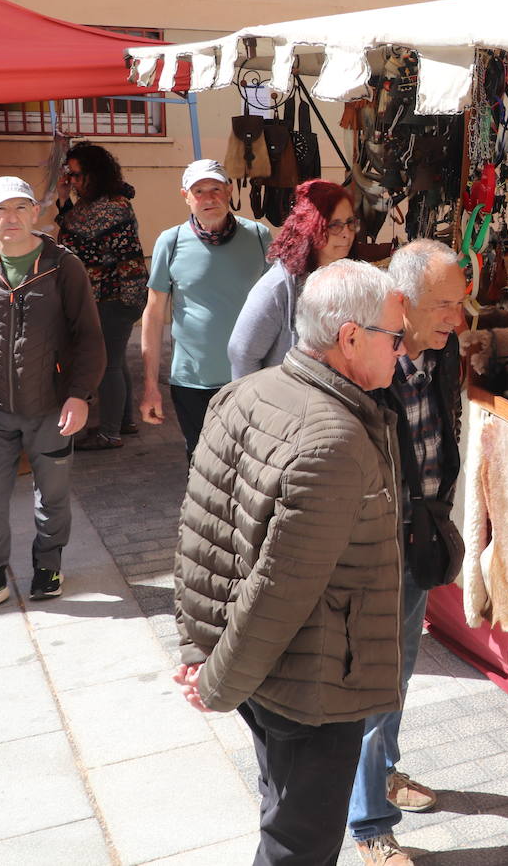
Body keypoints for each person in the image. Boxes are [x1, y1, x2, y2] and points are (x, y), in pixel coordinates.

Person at [172, 259, 408, 866]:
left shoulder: (247, 392)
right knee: (297, 846)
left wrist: (203, 650)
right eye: (396, 337)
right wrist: (216, 680)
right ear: (350, 338)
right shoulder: (333, 440)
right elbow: (279, 589)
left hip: (270, 672)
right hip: (314, 685)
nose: (403, 353)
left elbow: (204, 536)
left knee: (279, 807)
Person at [349, 239, 468, 866]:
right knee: (375, 678)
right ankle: (370, 826)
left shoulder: (436, 355)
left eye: (459, 304)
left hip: (418, 535)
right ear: (405, 302)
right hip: (373, 544)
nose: (457, 318)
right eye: (445, 304)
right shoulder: (372, 365)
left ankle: (385, 773)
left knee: (399, 670)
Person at [0, 177, 105, 616]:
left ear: (35, 213)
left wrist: (79, 395)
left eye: (19, 208)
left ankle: (48, 566)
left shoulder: (62, 265)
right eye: (0, 209)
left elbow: (88, 337)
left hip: (50, 405)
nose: (10, 218)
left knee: (52, 493)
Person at [140, 159, 270, 458]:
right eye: (199, 191)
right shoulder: (170, 242)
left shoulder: (259, 237)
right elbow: (154, 314)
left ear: (228, 191)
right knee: (202, 465)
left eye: (216, 188)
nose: (209, 198)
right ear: (185, 196)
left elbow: (276, 306)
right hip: (193, 382)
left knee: (252, 463)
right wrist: (150, 385)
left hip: (249, 378)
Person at [54, 143, 148, 450]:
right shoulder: (97, 203)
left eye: (78, 175)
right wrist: (65, 200)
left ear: (95, 174)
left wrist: (62, 201)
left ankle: (110, 434)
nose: (73, 181)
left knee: (107, 365)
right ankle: (124, 421)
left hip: (115, 296)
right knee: (116, 361)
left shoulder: (111, 206)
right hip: (112, 295)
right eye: (70, 174)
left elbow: (70, 238)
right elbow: (72, 235)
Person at [228, 179, 358, 378]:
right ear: (311, 227)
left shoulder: (350, 277)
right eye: (335, 226)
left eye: (350, 223)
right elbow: (241, 353)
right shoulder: (276, 287)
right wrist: (258, 405)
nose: (346, 234)